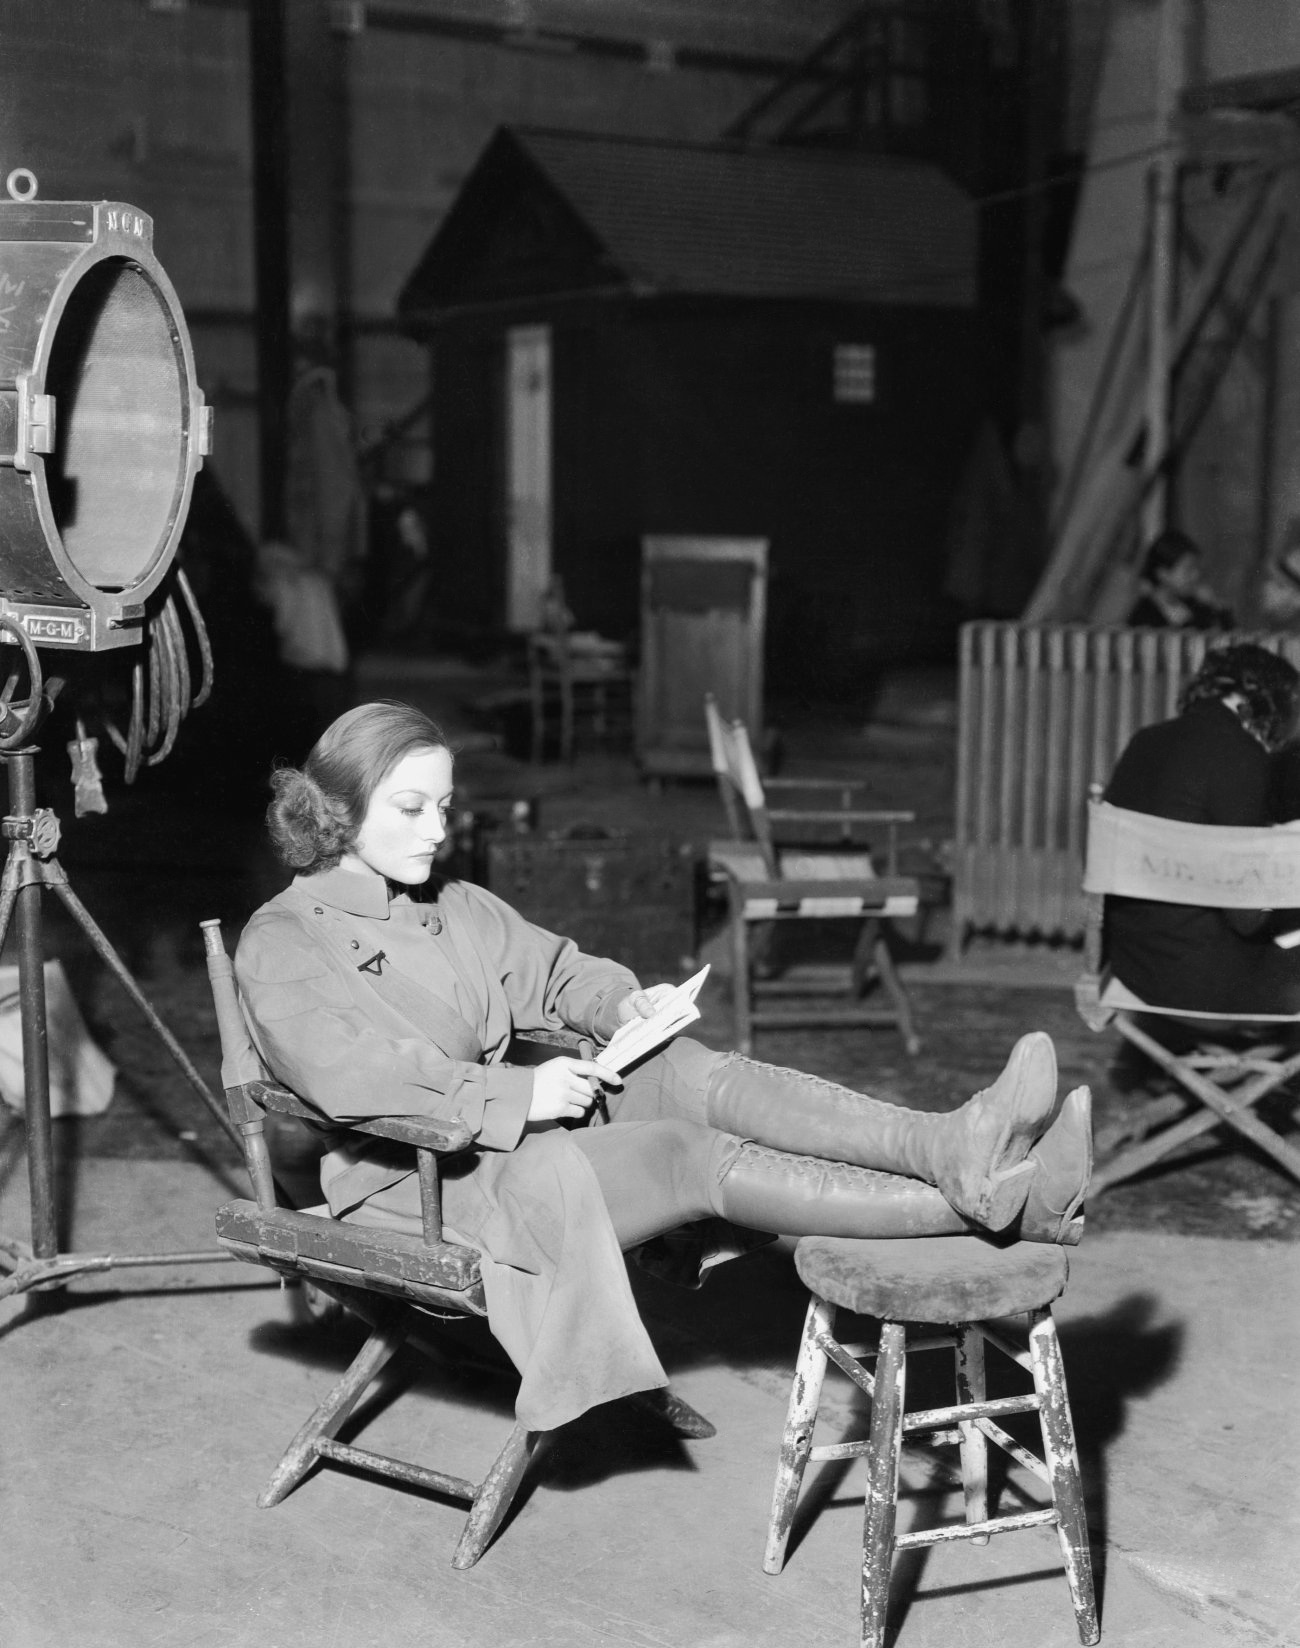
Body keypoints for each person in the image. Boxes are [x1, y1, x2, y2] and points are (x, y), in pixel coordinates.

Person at [236, 702, 1091, 1434]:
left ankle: (949, 1146)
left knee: (684, 1069)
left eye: (446, 806)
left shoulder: (451, 904)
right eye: (412, 808)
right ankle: (1008, 1206)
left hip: (500, 1139)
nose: (438, 829)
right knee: (684, 1153)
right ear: (337, 813)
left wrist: (621, 1006)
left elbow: (556, 972)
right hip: (420, 1184)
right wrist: (518, 1091)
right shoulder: (283, 940)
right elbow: (356, 1077)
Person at [1104, 643, 1300, 1014]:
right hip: (1207, 987)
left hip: (1136, 969)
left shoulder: (1146, 740)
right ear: (1267, 700)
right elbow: (1249, 920)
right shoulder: (1241, 754)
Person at [1127, 528, 1233, 630]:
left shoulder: (1197, 606)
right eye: (1188, 569)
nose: (1196, 575)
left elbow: (1230, 636)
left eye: (1196, 568)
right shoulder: (1144, 615)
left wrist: (1217, 607)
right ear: (1163, 574)